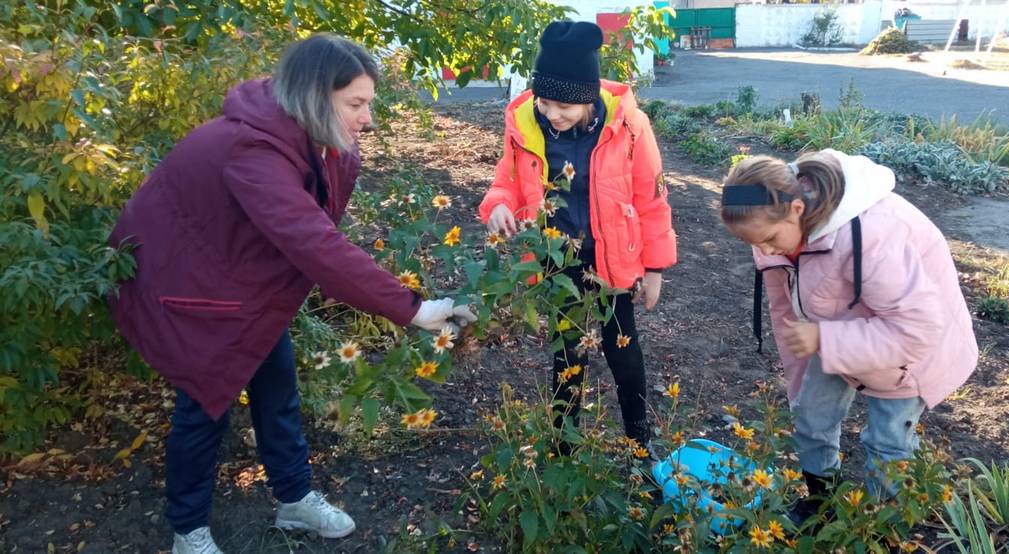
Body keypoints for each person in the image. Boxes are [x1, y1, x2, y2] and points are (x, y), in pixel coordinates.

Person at [108, 34, 475, 554]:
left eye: (368, 103)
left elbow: (312, 234)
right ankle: (188, 532)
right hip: (193, 289)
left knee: (277, 389)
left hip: (240, 283)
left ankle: (293, 499)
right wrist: (412, 308)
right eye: (356, 104)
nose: (367, 118)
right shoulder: (253, 149)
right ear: (315, 97)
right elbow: (314, 243)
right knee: (205, 405)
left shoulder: (304, 136)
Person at [719, 150, 977, 523]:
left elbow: (916, 329)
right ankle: (822, 504)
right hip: (833, 330)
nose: (766, 250)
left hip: (912, 351)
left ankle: (879, 530)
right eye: (756, 244)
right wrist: (799, 387)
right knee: (810, 415)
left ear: (795, 208)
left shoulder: (872, 234)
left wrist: (824, 338)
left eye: (770, 239)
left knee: (887, 442)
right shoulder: (772, 235)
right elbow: (787, 318)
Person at [478, 20, 676, 449]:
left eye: (563, 106)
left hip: (614, 259)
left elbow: (652, 198)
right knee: (567, 352)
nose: (552, 114)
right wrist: (498, 205)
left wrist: (656, 267)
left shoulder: (629, 125)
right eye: (544, 102)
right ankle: (563, 445)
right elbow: (505, 181)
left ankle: (639, 444)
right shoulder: (525, 124)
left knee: (623, 350)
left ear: (587, 96)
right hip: (559, 259)